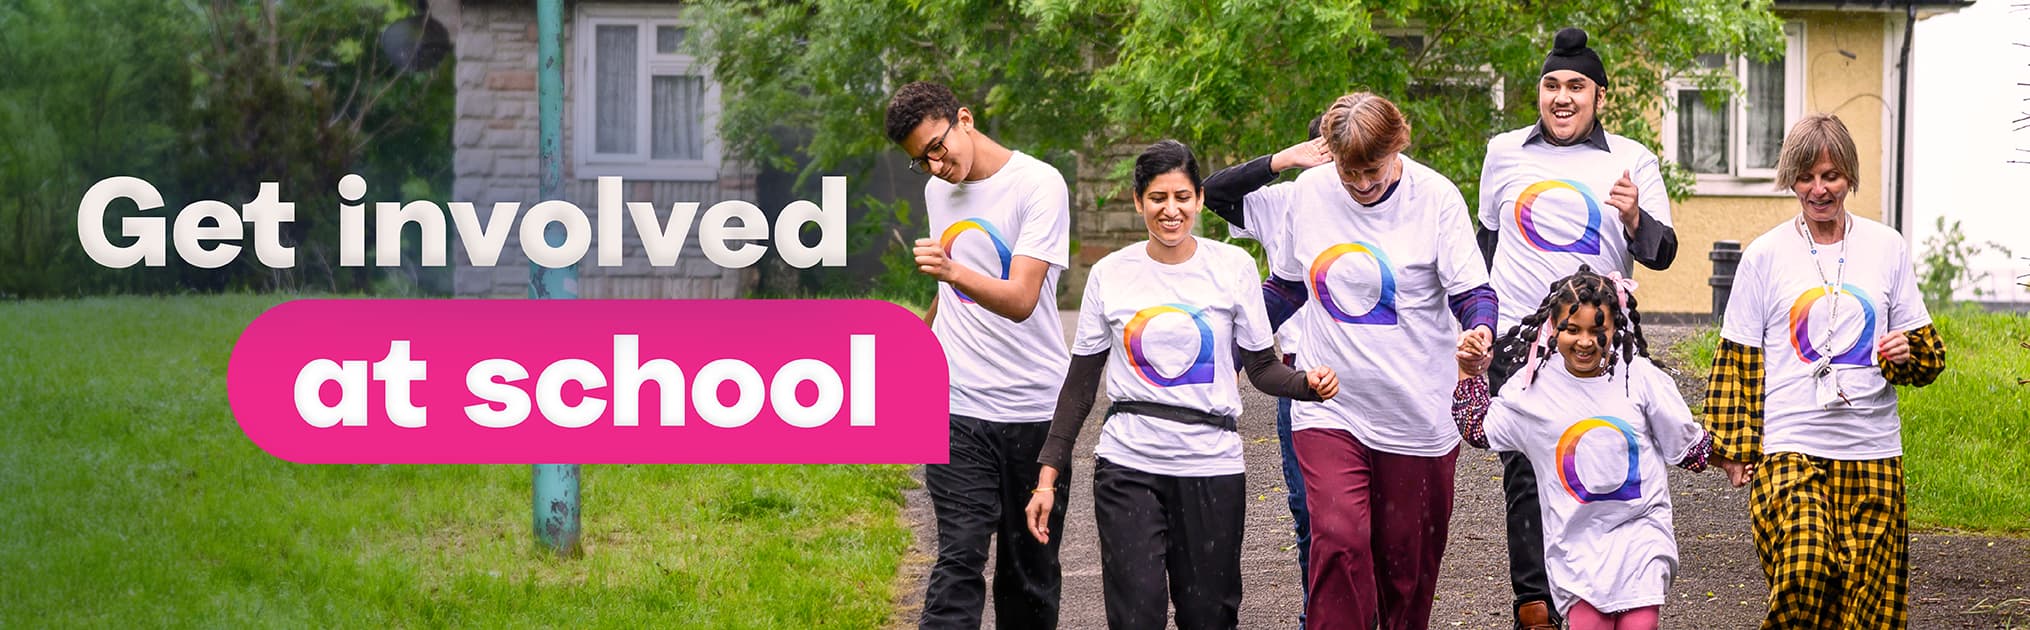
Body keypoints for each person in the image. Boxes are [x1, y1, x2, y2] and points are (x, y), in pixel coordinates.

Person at [1024, 140, 1340, 630]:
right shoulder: (1110, 275)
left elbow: (1261, 369)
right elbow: (1080, 388)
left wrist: (1305, 384)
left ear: (1197, 200)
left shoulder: (1232, 268)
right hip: (1129, 464)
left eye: (1182, 198)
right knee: (1136, 614)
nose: (1170, 211)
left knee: (1208, 615)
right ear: (1138, 201)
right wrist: (1047, 477)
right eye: (1157, 198)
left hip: (1212, 466)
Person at [1257, 92, 1496, 630]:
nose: (1362, 183)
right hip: (1332, 405)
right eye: (1349, 171)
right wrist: (1240, 340)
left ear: (1399, 145)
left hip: (1418, 414)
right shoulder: (1310, 192)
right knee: (1338, 539)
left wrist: (1480, 330)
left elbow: (1472, 292)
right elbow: (1288, 287)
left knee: (1404, 576)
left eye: (1373, 169)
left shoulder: (1435, 197)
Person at [1704, 113, 1946, 629]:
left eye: (1831, 176)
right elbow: (1738, 357)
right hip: (1792, 445)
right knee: (1805, 571)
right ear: (1791, 179)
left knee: (1872, 606)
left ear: (1850, 178)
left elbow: (1927, 353)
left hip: (1873, 452)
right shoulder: (1765, 255)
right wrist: (1734, 447)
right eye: (1806, 177)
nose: (1819, 189)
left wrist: (1905, 353)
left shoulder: (1886, 247)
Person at [1474, 26, 1679, 630]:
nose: (1562, 98)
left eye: (1576, 86)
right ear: (1539, 92)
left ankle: (1601, 592)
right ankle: (1535, 605)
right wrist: (1481, 328)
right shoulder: (1503, 151)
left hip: (1599, 340)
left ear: (1599, 96)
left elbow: (1662, 251)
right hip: (1522, 340)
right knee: (1525, 471)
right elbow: (1486, 242)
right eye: (1551, 85)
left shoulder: (1631, 158)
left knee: (1596, 463)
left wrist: (1633, 214)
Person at [885, 80, 1074, 630]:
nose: (937, 167)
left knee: (1028, 573)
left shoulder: (1039, 185)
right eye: (922, 161)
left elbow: (1019, 299)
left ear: (963, 119)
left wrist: (951, 272)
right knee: (959, 556)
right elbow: (953, 293)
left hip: (1035, 410)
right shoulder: (937, 190)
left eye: (938, 148)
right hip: (957, 406)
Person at [1452, 265, 1724, 630]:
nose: (1585, 341)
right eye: (1572, 329)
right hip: (1576, 548)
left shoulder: (1639, 378)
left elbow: (1687, 443)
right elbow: (1477, 428)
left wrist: (1732, 459)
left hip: (1640, 537)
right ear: (1552, 327)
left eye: (1598, 331)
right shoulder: (1533, 390)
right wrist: (1470, 372)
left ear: (1615, 328)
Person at [1202, 115, 1333, 615]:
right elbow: (1211, 192)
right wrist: (1282, 160)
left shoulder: (1387, 200)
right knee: (1308, 512)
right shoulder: (1284, 201)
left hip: (1370, 366)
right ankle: (1317, 616)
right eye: (1324, 146)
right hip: (1300, 373)